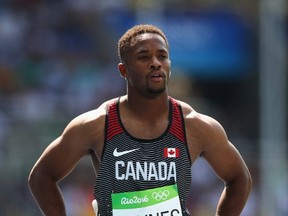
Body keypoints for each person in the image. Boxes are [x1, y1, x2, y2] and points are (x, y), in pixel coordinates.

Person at [28, 24, 252, 216]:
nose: (155, 63)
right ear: (123, 70)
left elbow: (239, 178)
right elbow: (41, 176)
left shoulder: (195, 126)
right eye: (144, 57)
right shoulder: (96, 125)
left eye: (162, 56)